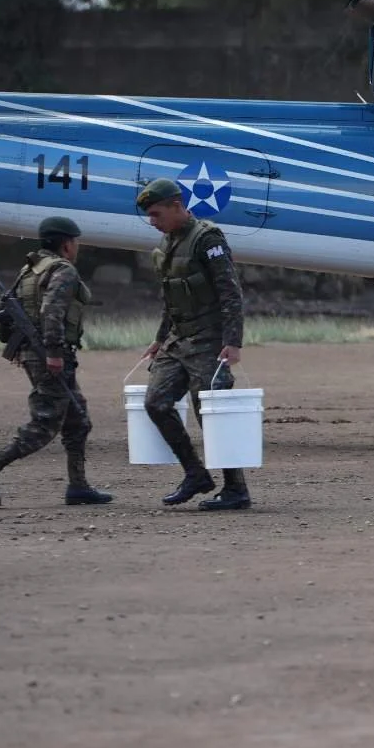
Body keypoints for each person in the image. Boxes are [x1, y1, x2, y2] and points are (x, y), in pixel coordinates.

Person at [0, 216, 112, 507]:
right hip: (50, 354)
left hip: (37, 351)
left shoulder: (29, 270)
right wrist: (54, 353)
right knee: (46, 423)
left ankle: (78, 486)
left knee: (78, 420)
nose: (77, 247)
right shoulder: (63, 270)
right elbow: (53, 312)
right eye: (76, 242)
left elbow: (5, 315)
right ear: (66, 244)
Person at [135, 177, 252, 511]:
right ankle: (195, 474)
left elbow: (230, 291)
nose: (153, 222)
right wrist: (159, 340)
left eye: (157, 214)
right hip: (178, 339)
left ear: (176, 205)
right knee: (156, 403)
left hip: (209, 341)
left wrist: (233, 341)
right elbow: (171, 299)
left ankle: (235, 489)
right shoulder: (166, 246)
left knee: (212, 412)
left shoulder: (207, 238)